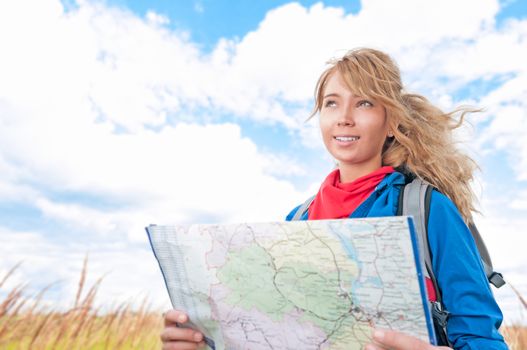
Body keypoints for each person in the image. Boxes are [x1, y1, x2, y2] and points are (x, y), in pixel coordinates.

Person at [160, 48, 508, 350]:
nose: (343, 117)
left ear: (391, 123)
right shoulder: (297, 221)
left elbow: (484, 341)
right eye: (331, 103)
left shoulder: (428, 209)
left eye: (365, 103)